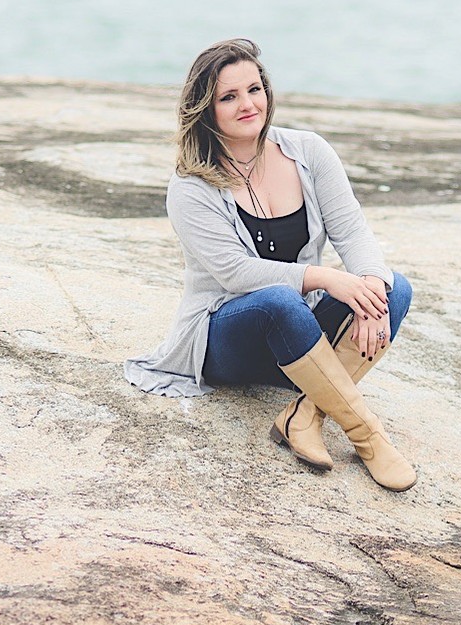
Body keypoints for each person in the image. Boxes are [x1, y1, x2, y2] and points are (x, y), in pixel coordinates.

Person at [124, 38, 416, 492]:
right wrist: (323, 277)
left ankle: (305, 413)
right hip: (229, 340)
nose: (248, 104)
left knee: (393, 289)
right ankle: (368, 435)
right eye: (229, 96)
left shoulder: (308, 151)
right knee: (280, 300)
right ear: (205, 109)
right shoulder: (190, 187)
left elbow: (352, 231)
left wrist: (371, 288)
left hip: (299, 346)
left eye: (254, 89)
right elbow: (235, 275)